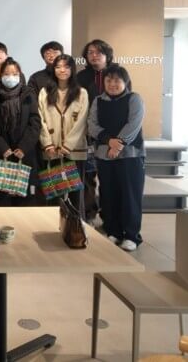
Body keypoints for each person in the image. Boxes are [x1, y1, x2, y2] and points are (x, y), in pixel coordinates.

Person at [88, 64, 145, 251]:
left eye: (117, 80)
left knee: (130, 196)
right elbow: (92, 125)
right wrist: (109, 141)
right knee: (108, 194)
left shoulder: (134, 99)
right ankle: (113, 231)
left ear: (125, 82)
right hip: (104, 155)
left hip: (130, 156)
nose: (112, 84)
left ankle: (131, 236)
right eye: (108, 80)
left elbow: (134, 123)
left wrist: (118, 144)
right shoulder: (98, 101)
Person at [76, 39, 128, 223]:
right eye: (90, 52)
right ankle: (88, 215)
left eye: (98, 52)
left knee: (109, 178)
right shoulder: (81, 77)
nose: (94, 56)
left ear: (107, 55)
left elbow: (125, 102)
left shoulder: (117, 73)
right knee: (88, 176)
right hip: (89, 133)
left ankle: (110, 218)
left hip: (112, 135)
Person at [0, 58, 42, 206]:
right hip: (1, 153)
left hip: (24, 154)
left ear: (20, 75)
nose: (11, 77)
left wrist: (24, 147)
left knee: (25, 200)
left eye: (14, 74)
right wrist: (1, 147)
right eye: (6, 73)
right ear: (0, 75)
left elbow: (35, 123)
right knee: (1, 199)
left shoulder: (28, 93)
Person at [37, 54, 89, 211]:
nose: (62, 70)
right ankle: (53, 223)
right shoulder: (45, 92)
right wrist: (47, 144)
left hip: (74, 151)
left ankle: (76, 225)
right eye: (58, 67)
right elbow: (41, 119)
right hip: (52, 150)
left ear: (72, 69)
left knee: (75, 194)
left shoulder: (81, 92)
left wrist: (67, 146)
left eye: (66, 67)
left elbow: (82, 122)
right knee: (54, 194)